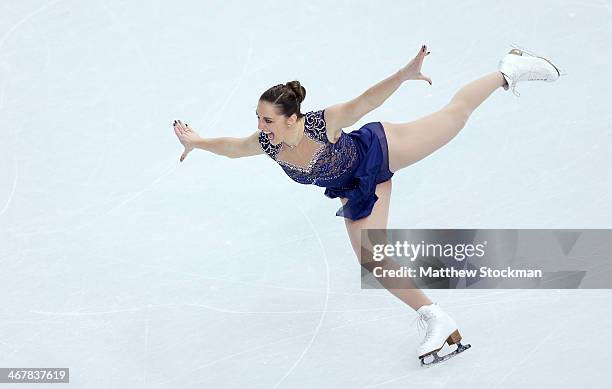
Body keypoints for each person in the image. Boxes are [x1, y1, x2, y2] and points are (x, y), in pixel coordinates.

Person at [172, 44, 561, 365]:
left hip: (382, 151)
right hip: (355, 189)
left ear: (293, 118)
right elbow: (234, 148)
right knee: (372, 260)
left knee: (454, 117)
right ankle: (435, 317)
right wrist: (198, 142)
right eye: (258, 118)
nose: (261, 126)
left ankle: (507, 70)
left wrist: (401, 76)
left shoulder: (323, 123)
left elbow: (365, 102)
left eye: (268, 119)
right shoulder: (269, 143)